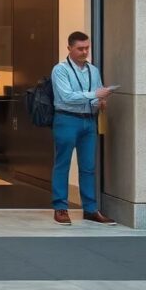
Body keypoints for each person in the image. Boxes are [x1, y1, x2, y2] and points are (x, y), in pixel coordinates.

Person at [51, 31, 116, 226]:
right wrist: (94, 95)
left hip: (89, 120)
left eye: (87, 48)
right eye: (80, 48)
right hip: (67, 119)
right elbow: (66, 97)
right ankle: (60, 208)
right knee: (62, 163)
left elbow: (94, 96)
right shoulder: (60, 70)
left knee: (88, 166)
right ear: (69, 48)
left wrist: (100, 101)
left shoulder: (93, 70)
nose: (85, 52)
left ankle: (90, 209)